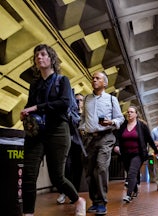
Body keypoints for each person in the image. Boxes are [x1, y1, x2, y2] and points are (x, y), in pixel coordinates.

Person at [20, 44, 86, 216]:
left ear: (51, 58)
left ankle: (78, 200)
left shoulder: (62, 81)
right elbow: (30, 105)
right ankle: (28, 213)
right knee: (28, 175)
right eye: (36, 56)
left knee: (57, 177)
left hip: (57, 131)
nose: (39, 58)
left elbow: (64, 103)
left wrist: (37, 107)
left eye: (42, 54)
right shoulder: (34, 84)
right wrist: (25, 112)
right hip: (36, 133)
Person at [79, 71, 124, 215]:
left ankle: (102, 202)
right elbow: (83, 118)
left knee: (101, 167)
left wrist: (112, 122)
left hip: (106, 137)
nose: (94, 80)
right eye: (93, 78)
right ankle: (95, 201)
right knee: (90, 171)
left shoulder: (111, 99)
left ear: (104, 83)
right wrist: (82, 128)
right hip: (89, 139)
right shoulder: (86, 99)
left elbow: (120, 118)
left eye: (97, 78)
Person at [113, 106, 158, 203]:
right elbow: (117, 138)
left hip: (137, 154)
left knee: (131, 173)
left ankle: (128, 195)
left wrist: (155, 150)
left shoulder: (142, 126)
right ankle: (135, 189)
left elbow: (149, 139)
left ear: (136, 114)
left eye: (131, 112)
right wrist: (116, 145)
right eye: (128, 112)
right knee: (130, 172)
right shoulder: (122, 126)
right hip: (125, 154)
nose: (129, 113)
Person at [57, 93, 84, 204]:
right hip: (67, 143)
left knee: (78, 169)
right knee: (66, 167)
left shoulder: (85, 115)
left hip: (80, 145)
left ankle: (75, 193)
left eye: (81, 100)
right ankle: (64, 192)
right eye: (76, 100)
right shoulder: (68, 113)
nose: (78, 102)